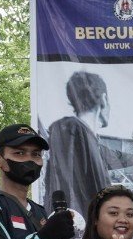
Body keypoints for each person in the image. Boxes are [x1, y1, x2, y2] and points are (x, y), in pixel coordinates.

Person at [43, 71, 112, 219]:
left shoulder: (88, 139)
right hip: (77, 232)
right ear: (104, 100)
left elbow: (114, 157)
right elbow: (64, 185)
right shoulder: (69, 129)